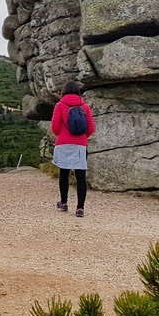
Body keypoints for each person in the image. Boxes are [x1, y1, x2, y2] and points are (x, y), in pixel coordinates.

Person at [51, 81, 95, 217]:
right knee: (80, 176)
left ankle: (64, 203)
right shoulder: (85, 106)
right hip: (80, 145)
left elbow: (54, 127)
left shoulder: (60, 105)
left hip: (63, 143)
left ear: (64, 91)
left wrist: (63, 134)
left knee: (63, 174)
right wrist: (81, 137)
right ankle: (80, 208)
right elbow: (91, 128)